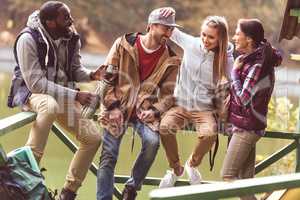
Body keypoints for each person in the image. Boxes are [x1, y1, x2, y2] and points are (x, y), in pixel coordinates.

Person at [7, 1, 105, 199]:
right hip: (31, 93)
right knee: (49, 106)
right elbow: (36, 84)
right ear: (50, 22)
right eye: (66, 17)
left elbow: (74, 69)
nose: (71, 21)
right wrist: (76, 95)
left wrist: (92, 75)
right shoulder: (28, 39)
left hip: (61, 93)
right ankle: (26, 176)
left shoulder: (70, 35)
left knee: (93, 138)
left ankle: (68, 192)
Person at [96, 7, 181, 200]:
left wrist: (155, 111)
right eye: (165, 28)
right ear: (151, 26)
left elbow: (169, 95)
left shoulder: (172, 58)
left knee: (152, 143)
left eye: (171, 29)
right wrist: (113, 107)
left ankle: (132, 188)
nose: (168, 33)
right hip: (116, 107)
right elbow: (107, 79)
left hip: (145, 112)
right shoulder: (123, 44)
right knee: (109, 156)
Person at [157, 8, 234, 188]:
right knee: (165, 127)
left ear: (220, 39)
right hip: (180, 105)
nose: (205, 40)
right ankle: (176, 169)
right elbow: (167, 26)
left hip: (204, 108)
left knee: (209, 134)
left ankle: (192, 165)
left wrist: (226, 92)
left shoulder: (225, 59)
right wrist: (166, 11)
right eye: (203, 35)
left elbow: (233, 83)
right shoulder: (191, 43)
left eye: (211, 37)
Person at [221, 19, 282, 200]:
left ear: (248, 39)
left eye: (237, 33)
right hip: (246, 125)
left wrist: (233, 74)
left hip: (247, 129)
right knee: (245, 181)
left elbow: (244, 98)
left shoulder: (257, 65)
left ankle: (275, 187)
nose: (234, 37)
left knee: (228, 175)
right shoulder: (252, 59)